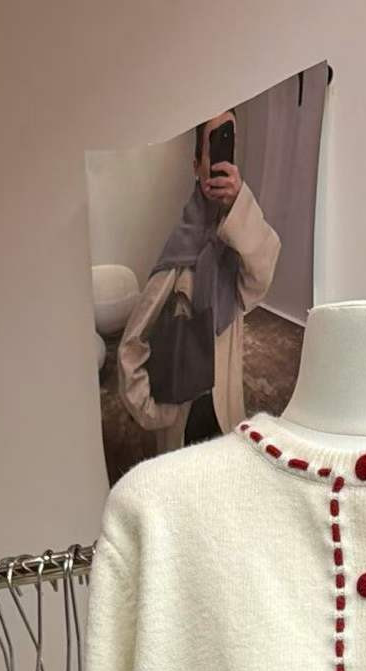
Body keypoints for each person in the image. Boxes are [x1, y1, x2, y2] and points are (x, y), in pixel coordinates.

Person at [118, 109, 281, 453]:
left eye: (228, 145)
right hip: (183, 414)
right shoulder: (180, 254)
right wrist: (152, 412)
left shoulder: (237, 242)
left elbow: (260, 278)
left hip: (224, 409)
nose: (222, 160)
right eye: (214, 146)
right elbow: (131, 345)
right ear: (196, 165)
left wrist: (239, 202)